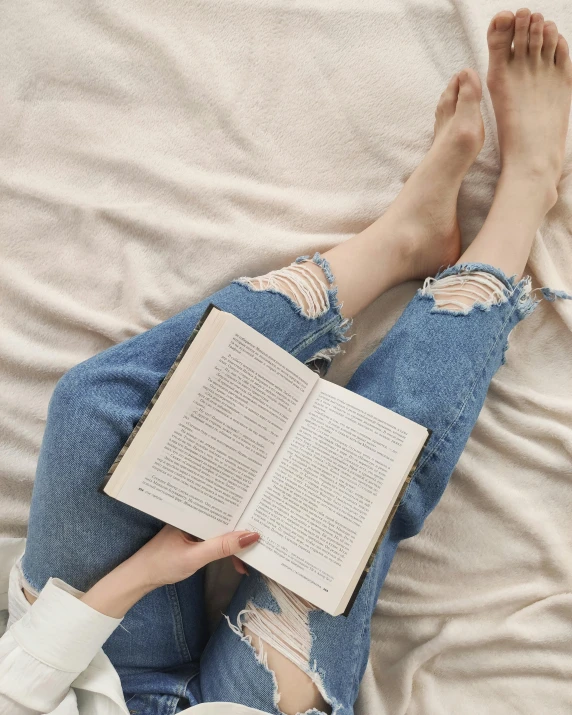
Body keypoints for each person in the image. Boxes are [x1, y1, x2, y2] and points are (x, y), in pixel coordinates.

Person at [1, 9, 571, 715]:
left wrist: (149, 569)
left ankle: (398, 244)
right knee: (355, 474)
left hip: (80, 672)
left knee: (92, 410)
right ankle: (527, 191)